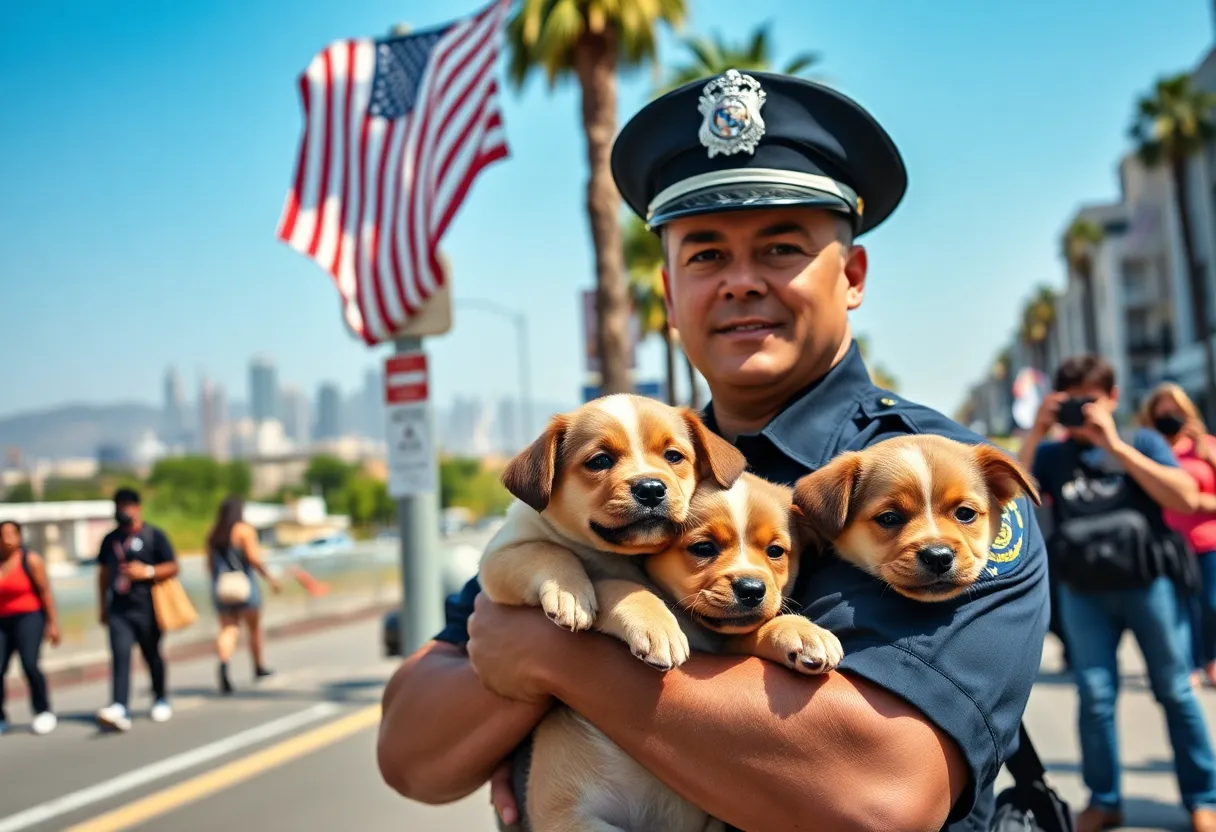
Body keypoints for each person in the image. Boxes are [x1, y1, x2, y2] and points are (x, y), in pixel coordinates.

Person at [378, 69, 1051, 832]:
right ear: (668, 294)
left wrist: (555, 658)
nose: (739, 283)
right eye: (703, 255)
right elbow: (412, 754)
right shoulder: (632, 476)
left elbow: (879, 797)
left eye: (780, 248)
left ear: (853, 274)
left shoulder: (938, 482)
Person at [1020, 357, 1216, 832]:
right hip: (1083, 590)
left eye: (1091, 400)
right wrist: (1037, 432)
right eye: (1072, 402)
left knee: (1174, 690)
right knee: (1095, 695)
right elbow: (1008, 497)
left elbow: (1186, 498)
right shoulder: (1050, 456)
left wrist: (1116, 448)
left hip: (1149, 585)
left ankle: (1203, 798)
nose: (1083, 413)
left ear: (1112, 398)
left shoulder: (1142, 441)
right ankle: (1103, 800)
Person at [1142, 382, 1216, 688]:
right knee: (1177, 611)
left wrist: (1205, 454)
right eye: (1162, 412)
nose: (1169, 417)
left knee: (1211, 604)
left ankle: (1210, 659)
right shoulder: (1150, 450)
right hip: (1169, 543)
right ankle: (1188, 665)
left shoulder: (1205, 446)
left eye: (1175, 411)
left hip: (1209, 540)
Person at [95, 487, 179, 732]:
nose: (124, 510)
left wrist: (148, 572)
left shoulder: (153, 535)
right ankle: (119, 705)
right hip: (120, 609)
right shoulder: (110, 540)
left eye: (129, 505)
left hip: (149, 606)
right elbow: (103, 574)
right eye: (120, 505)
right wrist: (102, 605)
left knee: (152, 654)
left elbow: (173, 566)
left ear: (138, 507)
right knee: (120, 656)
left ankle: (160, 696)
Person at [205, 495, 280, 694]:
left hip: (221, 587)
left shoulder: (214, 532)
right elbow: (254, 558)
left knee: (228, 629)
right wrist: (270, 578)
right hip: (244, 585)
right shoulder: (244, 530)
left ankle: (223, 662)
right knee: (253, 629)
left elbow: (210, 566)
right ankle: (258, 666)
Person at [0, 520, 60, 735]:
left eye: (10, 534)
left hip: (29, 616)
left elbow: (45, 592)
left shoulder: (31, 560)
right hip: (2, 621)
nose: (6, 539)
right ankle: (1, 717)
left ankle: (43, 710)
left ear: (19, 536)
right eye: (2, 534)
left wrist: (53, 623)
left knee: (29, 663)